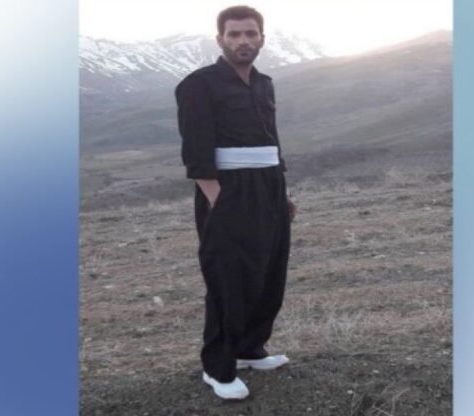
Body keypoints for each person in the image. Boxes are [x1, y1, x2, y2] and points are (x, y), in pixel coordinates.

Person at [174, 5, 297, 400]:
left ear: (262, 38)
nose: (243, 41)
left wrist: (282, 191)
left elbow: (271, 139)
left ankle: (249, 349)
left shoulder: (264, 84)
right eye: (234, 34)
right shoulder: (198, 85)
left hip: (269, 186)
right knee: (228, 278)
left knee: (269, 272)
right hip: (227, 190)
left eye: (250, 33)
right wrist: (218, 202)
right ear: (220, 39)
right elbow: (196, 151)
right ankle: (218, 367)